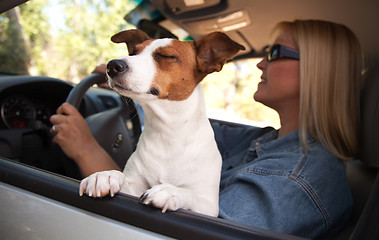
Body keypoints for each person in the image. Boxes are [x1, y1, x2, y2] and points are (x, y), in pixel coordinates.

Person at [50, 20, 363, 239]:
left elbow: (180, 233)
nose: (259, 64)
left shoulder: (297, 177)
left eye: (274, 53)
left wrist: (87, 150)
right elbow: (175, 123)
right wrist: (133, 82)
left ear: (319, 72)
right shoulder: (264, 140)